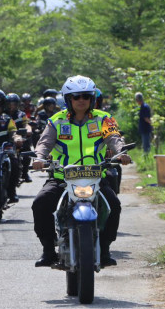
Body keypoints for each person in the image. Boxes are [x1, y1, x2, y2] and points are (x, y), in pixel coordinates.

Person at [31, 75, 131, 268]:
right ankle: (48, 251)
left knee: (114, 206)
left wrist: (121, 153)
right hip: (62, 178)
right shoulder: (56, 121)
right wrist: (39, 158)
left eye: (86, 96)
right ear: (68, 99)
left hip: (95, 178)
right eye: (76, 96)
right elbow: (45, 142)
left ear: (92, 98)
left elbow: (114, 138)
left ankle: (105, 248)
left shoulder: (104, 119)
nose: (81, 100)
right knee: (40, 204)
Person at [6, 93, 33, 183]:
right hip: (6, 139)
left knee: (27, 154)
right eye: (9, 103)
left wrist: (28, 130)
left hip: (20, 139)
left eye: (13, 104)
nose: (11, 106)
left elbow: (26, 124)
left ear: (17, 104)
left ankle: (25, 173)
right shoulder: (2, 114)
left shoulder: (21, 114)